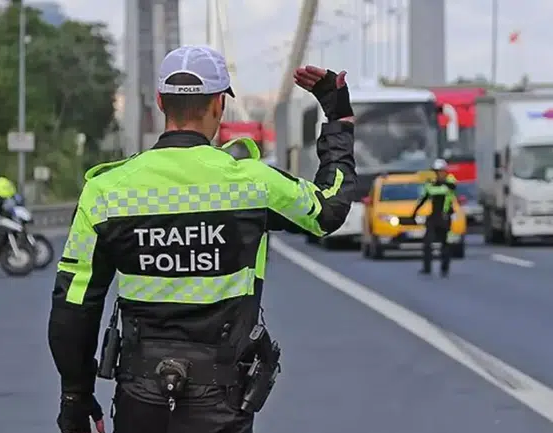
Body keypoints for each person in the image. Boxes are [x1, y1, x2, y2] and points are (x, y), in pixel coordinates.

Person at [48, 44, 357, 433]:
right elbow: (329, 209)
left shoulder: (106, 192)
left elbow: (74, 304)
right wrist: (338, 118)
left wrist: (75, 395)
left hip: (140, 396)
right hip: (222, 399)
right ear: (218, 104)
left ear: (161, 101)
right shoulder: (252, 184)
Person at [411, 158, 457, 277]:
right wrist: (414, 213)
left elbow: (449, 188)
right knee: (427, 242)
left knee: (446, 244)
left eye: (441, 171)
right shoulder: (431, 184)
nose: (439, 174)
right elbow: (423, 199)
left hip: (445, 217)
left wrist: (435, 186)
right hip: (434, 217)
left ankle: (444, 268)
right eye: (437, 172)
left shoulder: (450, 182)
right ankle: (427, 268)